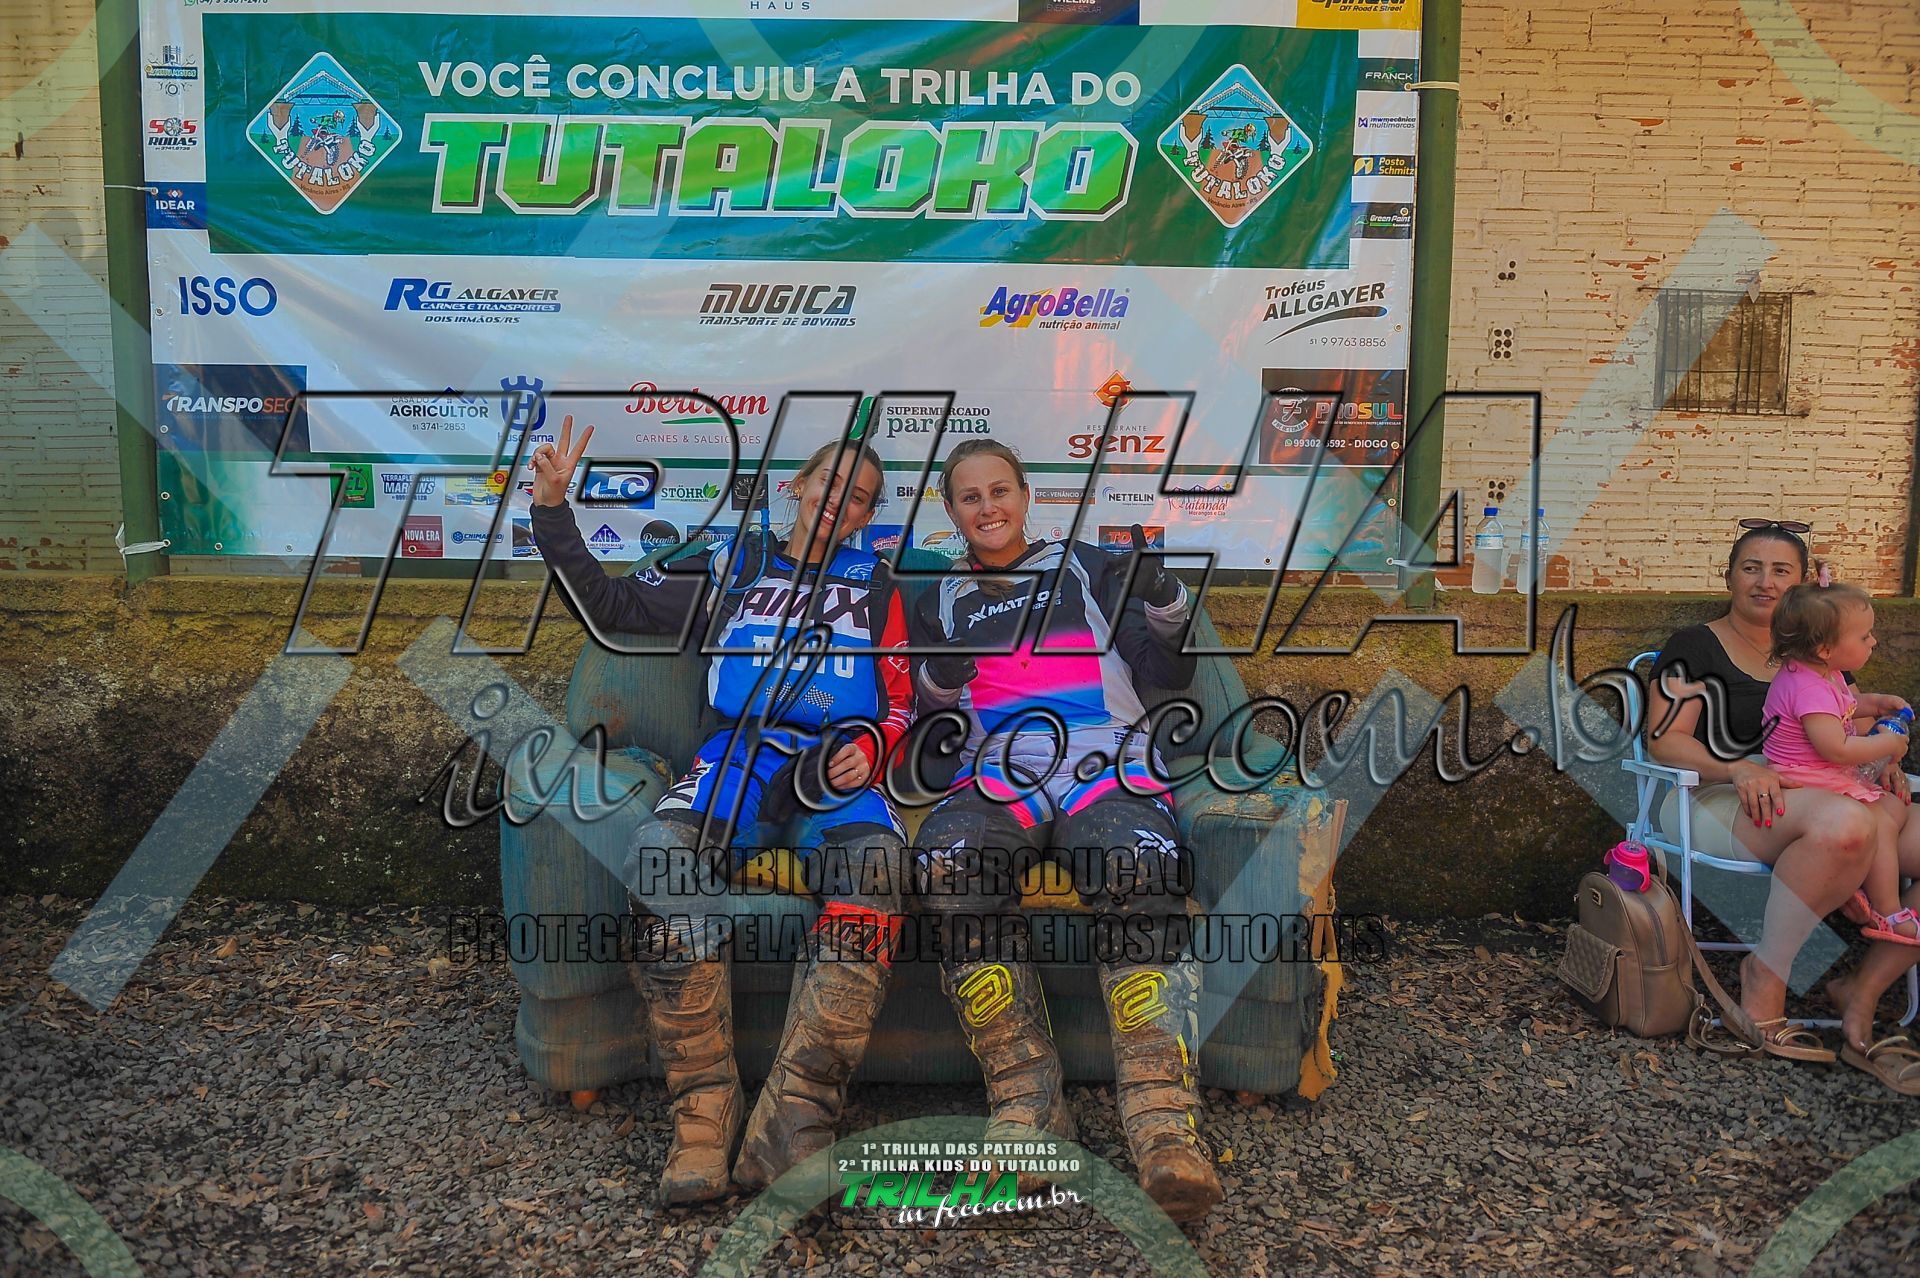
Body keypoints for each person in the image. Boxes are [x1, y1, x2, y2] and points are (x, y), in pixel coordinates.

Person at [528, 417, 916, 1202]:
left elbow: (903, 700)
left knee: (877, 870)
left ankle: (795, 1122)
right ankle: (704, 1116)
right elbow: (610, 607)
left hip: (833, 768)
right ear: (797, 486)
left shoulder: (879, 587)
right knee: (660, 860)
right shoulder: (733, 564)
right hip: (736, 759)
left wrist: (876, 744)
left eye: (861, 497)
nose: (841, 500)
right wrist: (552, 512)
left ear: (868, 516)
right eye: (830, 481)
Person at [908, 438, 1223, 1222]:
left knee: (1136, 868)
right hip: (997, 771)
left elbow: (1169, 672)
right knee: (949, 866)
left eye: (1001, 490)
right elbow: (929, 721)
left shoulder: (1089, 565)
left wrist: (1164, 595)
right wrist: (939, 681)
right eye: (970, 497)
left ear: (1026, 495)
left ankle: (1162, 1123)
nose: (989, 507)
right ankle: (1027, 1108)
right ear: (950, 511)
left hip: (1103, 760)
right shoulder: (937, 596)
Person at [1648, 520, 1920, 1090]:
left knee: (1858, 818)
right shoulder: (1694, 647)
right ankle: (1764, 976)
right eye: (1751, 568)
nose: (1764, 582)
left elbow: (1849, 725)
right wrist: (1737, 767)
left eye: (1780, 571)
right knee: (1847, 824)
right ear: (1729, 576)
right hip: (1718, 795)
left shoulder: (1826, 652)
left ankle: (1861, 992)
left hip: (1829, 791)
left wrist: (1880, 757)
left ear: (1800, 585)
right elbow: (1664, 740)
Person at [1760, 571, 1920, 945]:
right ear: (1825, 649)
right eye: (1864, 637)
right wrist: (1887, 745)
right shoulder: (1807, 687)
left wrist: (1873, 703)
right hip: (1806, 780)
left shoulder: (1822, 675)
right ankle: (1887, 911)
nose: (1874, 641)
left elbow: (1841, 709)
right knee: (1881, 820)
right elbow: (1836, 747)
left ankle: (1850, 878)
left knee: (1893, 809)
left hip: (1823, 776)